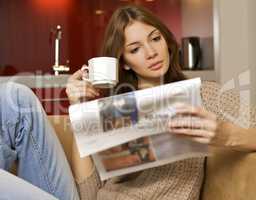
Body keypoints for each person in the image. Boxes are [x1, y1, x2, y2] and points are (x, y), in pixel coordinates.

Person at [0, 4, 255, 200]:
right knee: (13, 98)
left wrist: (225, 134)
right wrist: (80, 112)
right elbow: (89, 194)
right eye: (135, 49)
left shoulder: (203, 95)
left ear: (166, 40)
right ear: (123, 60)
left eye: (155, 39)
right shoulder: (117, 107)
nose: (151, 52)